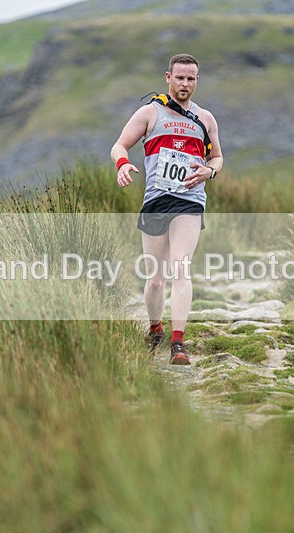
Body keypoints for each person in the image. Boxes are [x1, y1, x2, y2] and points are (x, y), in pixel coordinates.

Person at [110, 53, 224, 365]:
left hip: (190, 200)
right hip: (156, 200)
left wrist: (209, 171)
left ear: (197, 80)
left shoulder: (206, 120)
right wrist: (123, 165)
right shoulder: (150, 113)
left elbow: (217, 158)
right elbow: (119, 145)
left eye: (191, 78)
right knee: (155, 279)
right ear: (168, 78)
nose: (185, 84)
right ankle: (155, 328)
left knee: (181, 268)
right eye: (180, 78)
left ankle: (178, 343)